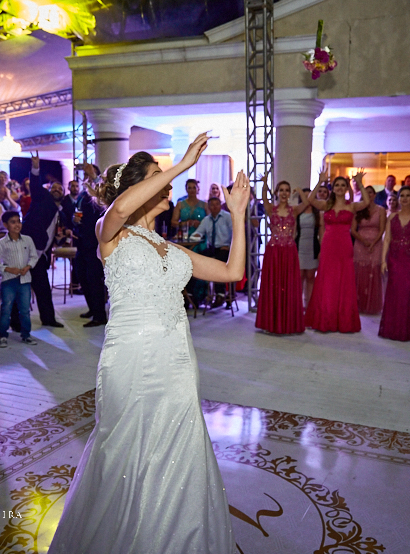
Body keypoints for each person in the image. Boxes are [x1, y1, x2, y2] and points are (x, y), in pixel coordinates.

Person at [47, 134, 247, 554]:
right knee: (124, 450)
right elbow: (119, 208)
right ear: (136, 187)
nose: (169, 184)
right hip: (130, 359)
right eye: (158, 178)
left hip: (177, 360)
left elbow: (232, 272)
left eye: (166, 176)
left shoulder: (171, 248)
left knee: (179, 449)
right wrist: (183, 164)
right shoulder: (111, 234)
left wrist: (239, 215)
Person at [304, 171, 369, 333]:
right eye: (337, 185)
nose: (339, 188)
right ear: (332, 188)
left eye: (342, 185)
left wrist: (360, 183)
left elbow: (366, 202)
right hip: (328, 245)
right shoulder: (326, 205)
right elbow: (310, 199)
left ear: (347, 188)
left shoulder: (351, 205)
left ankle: (343, 319)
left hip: (344, 245)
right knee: (327, 280)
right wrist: (320, 182)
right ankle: (326, 316)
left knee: (344, 280)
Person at [18, 155, 69, 328]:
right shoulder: (42, 199)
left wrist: (62, 237)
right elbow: (34, 185)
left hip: (40, 256)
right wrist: (35, 168)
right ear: (48, 190)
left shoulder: (60, 213)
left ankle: (48, 319)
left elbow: (56, 235)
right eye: (54, 188)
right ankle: (16, 322)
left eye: (60, 189)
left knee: (43, 290)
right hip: (25, 250)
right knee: (21, 288)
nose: (57, 190)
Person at [255, 176, 309, 333]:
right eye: (281, 190)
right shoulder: (271, 209)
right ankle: (271, 322)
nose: (284, 193)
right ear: (277, 192)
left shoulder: (295, 210)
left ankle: (288, 322)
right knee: (273, 285)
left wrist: (300, 191)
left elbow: (306, 203)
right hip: (274, 251)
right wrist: (265, 184)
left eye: (287, 190)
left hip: (289, 251)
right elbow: (264, 197)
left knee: (288, 286)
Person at [379, 186, 410, 341]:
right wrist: (383, 260)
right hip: (394, 258)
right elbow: (387, 239)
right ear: (398, 199)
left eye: (408, 196)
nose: (405, 198)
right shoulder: (392, 217)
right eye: (402, 196)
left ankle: (407, 331)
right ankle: (391, 329)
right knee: (394, 292)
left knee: (408, 293)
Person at [0, 211, 39, 347]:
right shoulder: (1, 244)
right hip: (8, 280)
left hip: (24, 280)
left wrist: (28, 266)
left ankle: (26, 334)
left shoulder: (27, 240)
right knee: (6, 308)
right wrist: (8, 269)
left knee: (25, 309)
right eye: (13, 222)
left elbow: (34, 256)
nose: (17, 225)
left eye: (18, 221)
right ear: (6, 225)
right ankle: (3, 335)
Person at [75, 167, 108, 327]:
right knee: (82, 275)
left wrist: (95, 178)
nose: (86, 177)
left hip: (94, 240)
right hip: (82, 239)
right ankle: (93, 309)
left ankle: (100, 315)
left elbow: (100, 199)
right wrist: (75, 221)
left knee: (94, 278)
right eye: (86, 175)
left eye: (89, 174)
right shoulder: (82, 193)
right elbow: (79, 210)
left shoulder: (99, 191)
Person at [192, 196, 234, 308]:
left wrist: (229, 246)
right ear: (209, 207)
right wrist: (195, 235)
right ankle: (191, 295)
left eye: (217, 204)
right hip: (213, 249)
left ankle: (220, 294)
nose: (215, 207)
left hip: (226, 249)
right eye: (212, 205)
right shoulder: (207, 219)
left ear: (221, 205)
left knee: (218, 262)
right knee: (194, 260)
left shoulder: (227, 217)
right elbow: (198, 233)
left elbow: (236, 234)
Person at [351, 185, 386, 315]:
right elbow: (353, 230)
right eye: (366, 193)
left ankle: (371, 305)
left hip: (376, 244)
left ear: (375, 195)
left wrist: (373, 243)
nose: (369, 195)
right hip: (360, 244)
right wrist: (363, 241)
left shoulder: (381, 210)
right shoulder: (358, 210)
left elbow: (382, 229)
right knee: (359, 271)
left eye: (371, 193)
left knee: (373, 271)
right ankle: (358, 304)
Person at [296, 185, 324, 308]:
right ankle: (298, 306)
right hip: (299, 247)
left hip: (313, 248)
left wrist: (322, 250)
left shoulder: (318, 214)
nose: (307, 199)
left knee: (311, 277)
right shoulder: (297, 212)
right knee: (299, 277)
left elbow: (321, 234)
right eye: (304, 196)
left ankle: (309, 306)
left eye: (309, 196)